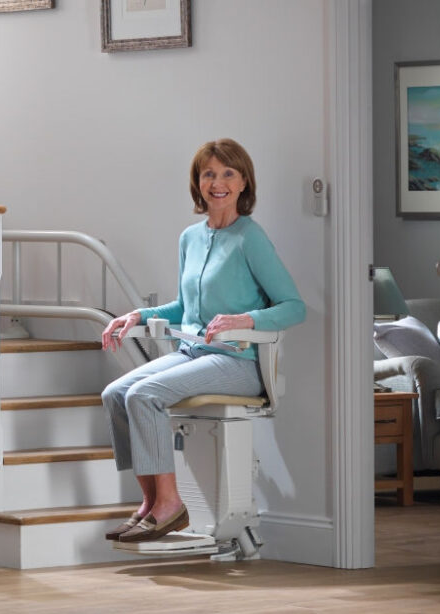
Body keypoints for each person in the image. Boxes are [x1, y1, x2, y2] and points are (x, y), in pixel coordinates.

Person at [100, 138, 305, 543]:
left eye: (228, 173)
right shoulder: (190, 238)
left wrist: (247, 318)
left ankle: (170, 505)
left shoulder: (250, 238)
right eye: (208, 174)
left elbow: (294, 307)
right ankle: (151, 502)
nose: (217, 183)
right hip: (194, 352)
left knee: (144, 394)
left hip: (240, 364)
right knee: (116, 393)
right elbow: (185, 307)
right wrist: (139, 315)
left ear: (244, 182)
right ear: (197, 182)